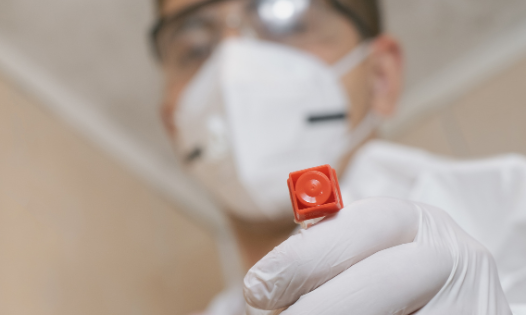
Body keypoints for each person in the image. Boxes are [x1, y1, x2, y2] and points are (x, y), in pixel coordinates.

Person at [148, 0, 526, 314]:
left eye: (287, 20)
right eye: (196, 47)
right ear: (172, 126)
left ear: (380, 76)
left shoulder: (512, 206)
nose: (234, 73)